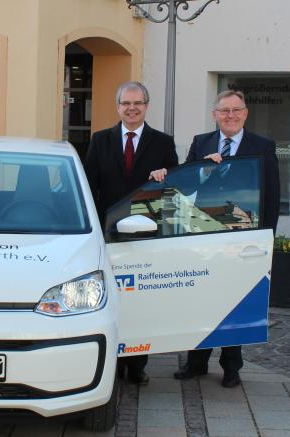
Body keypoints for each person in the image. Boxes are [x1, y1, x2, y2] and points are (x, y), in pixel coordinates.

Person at [174, 89, 280, 388]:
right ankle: (196, 363)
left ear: (245, 113)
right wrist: (204, 171)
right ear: (215, 114)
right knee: (202, 299)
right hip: (204, 236)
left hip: (242, 238)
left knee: (235, 300)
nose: (230, 116)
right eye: (224, 111)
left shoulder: (262, 145)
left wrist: (265, 240)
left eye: (236, 110)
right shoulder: (201, 142)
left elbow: (271, 197)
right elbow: (185, 185)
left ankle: (231, 367)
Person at [84, 81, 178, 385]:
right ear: (118, 106)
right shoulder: (100, 140)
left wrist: (165, 177)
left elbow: (174, 191)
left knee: (141, 300)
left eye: (138, 103)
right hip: (108, 235)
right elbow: (89, 187)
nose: (132, 108)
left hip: (145, 236)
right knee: (111, 297)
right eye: (126, 103)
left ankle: (137, 365)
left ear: (146, 106)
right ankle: (112, 361)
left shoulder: (163, 143)